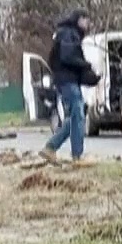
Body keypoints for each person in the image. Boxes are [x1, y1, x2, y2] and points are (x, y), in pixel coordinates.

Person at [42, 10, 99, 164]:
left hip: (66, 80)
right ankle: (77, 156)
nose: (88, 24)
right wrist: (87, 65)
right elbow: (68, 57)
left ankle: (50, 148)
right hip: (67, 81)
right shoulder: (69, 34)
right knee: (78, 115)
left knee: (75, 117)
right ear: (79, 20)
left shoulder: (67, 33)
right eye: (86, 20)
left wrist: (90, 76)